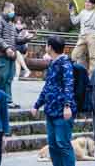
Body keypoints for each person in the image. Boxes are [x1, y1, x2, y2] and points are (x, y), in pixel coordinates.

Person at [31, 36, 76, 166]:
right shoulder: (53, 63)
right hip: (51, 109)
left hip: (62, 111)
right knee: (53, 145)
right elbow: (48, 87)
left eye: (46, 44)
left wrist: (67, 106)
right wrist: (37, 105)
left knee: (63, 143)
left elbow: (69, 85)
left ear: (50, 47)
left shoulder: (65, 63)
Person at [0, 2, 18, 108]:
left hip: (11, 55)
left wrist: (27, 38)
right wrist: (6, 48)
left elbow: (16, 38)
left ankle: (8, 100)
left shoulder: (11, 23)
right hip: (2, 54)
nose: (12, 12)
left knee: (9, 78)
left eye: (13, 10)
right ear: (5, 9)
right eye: (11, 9)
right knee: (1, 77)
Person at [69, 0, 95, 74]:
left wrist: (94, 25)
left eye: (89, 2)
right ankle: (82, 73)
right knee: (74, 55)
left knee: (92, 57)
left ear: (94, 4)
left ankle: (92, 75)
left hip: (92, 36)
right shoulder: (82, 12)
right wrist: (72, 14)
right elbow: (74, 22)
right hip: (82, 36)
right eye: (86, 2)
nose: (87, 3)